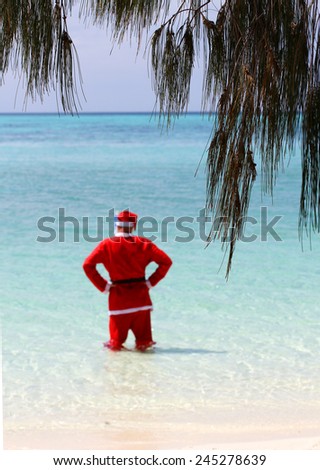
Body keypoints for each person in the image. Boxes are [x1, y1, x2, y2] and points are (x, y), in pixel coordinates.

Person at [83, 210, 172, 351]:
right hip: (141, 300)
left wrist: (104, 286)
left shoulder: (106, 245)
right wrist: (150, 282)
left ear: (116, 225)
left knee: (115, 347)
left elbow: (87, 265)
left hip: (118, 302)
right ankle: (146, 371)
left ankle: (115, 371)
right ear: (133, 227)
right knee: (144, 345)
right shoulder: (144, 244)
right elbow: (166, 262)